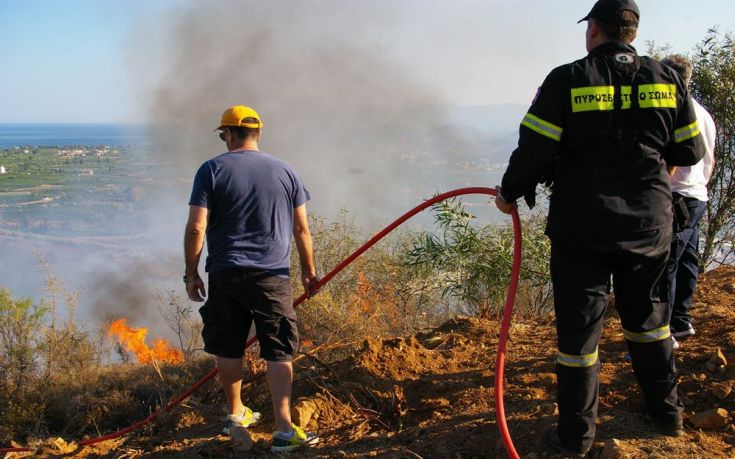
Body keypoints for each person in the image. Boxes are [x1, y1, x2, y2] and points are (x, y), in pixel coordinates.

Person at [494, 0, 705, 456]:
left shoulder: (567, 78)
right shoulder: (667, 78)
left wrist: (510, 192)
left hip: (582, 226)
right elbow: (690, 150)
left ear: (594, 30)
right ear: (631, 31)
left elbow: (533, 149)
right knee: (649, 322)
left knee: (579, 335)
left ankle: (575, 438)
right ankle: (667, 416)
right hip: (650, 225)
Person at [183, 105, 320, 452]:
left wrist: (191, 272)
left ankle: (235, 413)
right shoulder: (286, 170)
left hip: (225, 274)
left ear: (228, 134)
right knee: (278, 349)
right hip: (273, 276)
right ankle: (285, 431)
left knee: (228, 344)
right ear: (258, 133)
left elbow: (197, 226)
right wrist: (309, 272)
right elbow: (302, 228)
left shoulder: (211, 169)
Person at [660, 54, 717, 345]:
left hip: (677, 195)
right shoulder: (703, 113)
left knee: (666, 262)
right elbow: (710, 159)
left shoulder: (675, 111)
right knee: (686, 261)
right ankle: (681, 321)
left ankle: (666, 330)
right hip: (697, 196)